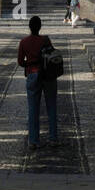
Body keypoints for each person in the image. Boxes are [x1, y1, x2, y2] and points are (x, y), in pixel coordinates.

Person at [17, 14, 59, 150]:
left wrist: (29, 64)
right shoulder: (45, 40)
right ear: (40, 27)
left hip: (32, 74)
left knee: (33, 108)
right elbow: (52, 56)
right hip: (48, 75)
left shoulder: (24, 42)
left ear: (29, 27)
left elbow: (20, 62)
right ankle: (53, 138)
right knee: (51, 106)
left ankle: (33, 140)